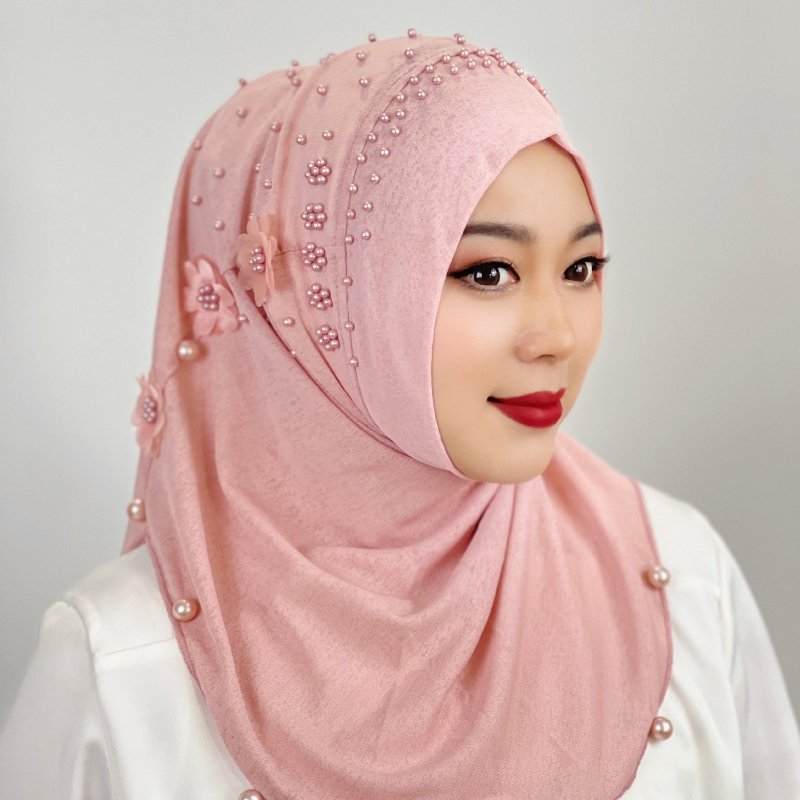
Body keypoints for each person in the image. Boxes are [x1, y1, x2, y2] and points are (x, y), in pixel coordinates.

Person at [1, 29, 798, 800]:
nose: (558, 336)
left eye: (581, 267)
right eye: (488, 272)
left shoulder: (684, 580)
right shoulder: (123, 664)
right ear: (313, 312)